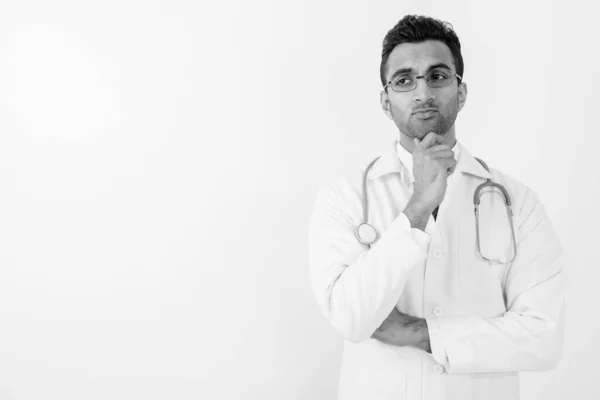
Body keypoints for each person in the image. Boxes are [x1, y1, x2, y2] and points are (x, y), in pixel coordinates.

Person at [307, 14, 566, 400]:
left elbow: (543, 337)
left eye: (438, 75)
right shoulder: (342, 198)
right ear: (385, 100)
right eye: (404, 80)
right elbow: (350, 318)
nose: (422, 91)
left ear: (461, 92)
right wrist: (417, 210)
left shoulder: (518, 203)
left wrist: (419, 332)